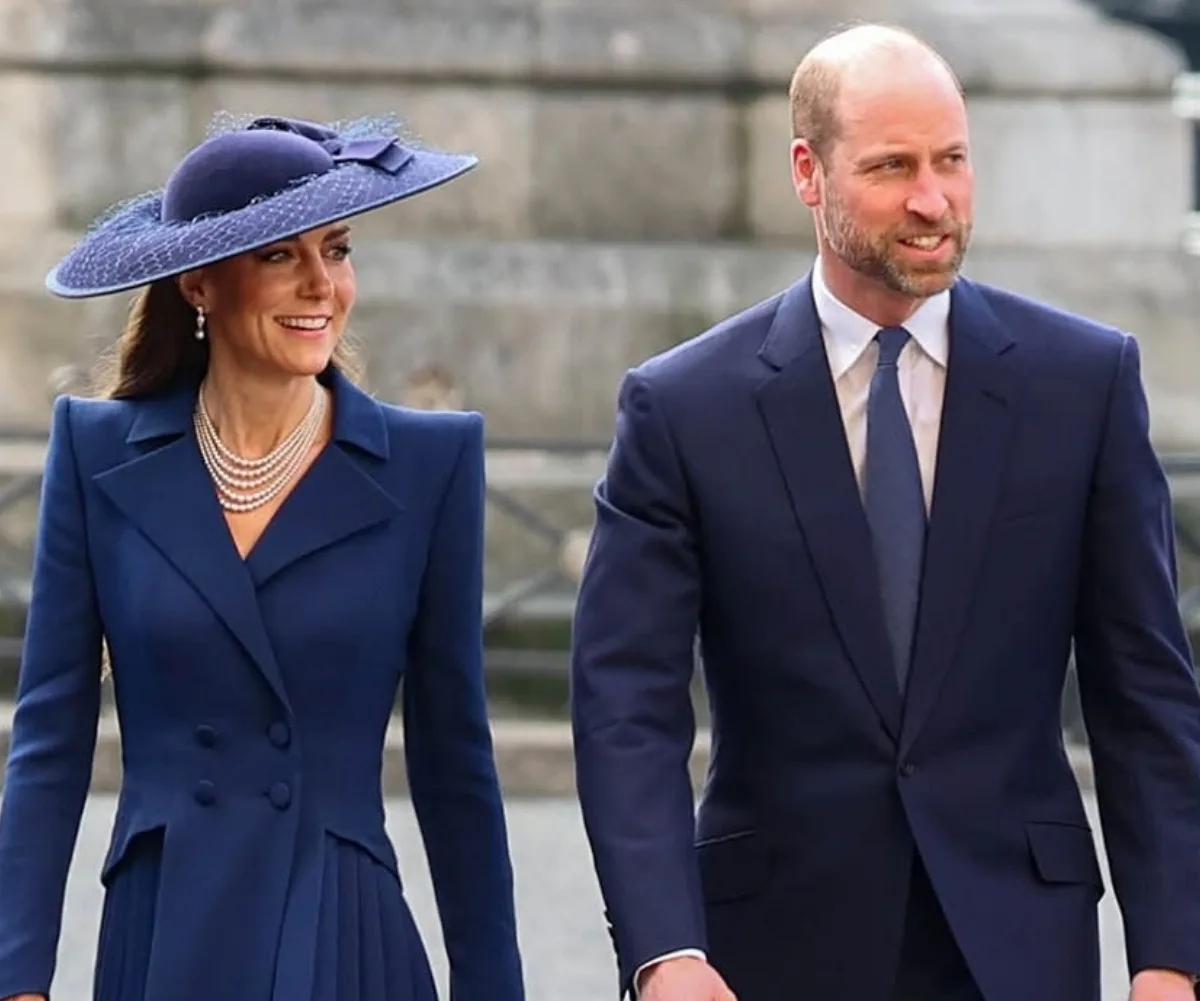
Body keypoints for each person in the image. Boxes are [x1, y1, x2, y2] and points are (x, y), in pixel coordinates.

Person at [570, 22, 1200, 1001]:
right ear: (807, 172)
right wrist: (664, 948)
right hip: (767, 950)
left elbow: (1146, 694)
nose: (932, 199)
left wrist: (1171, 953)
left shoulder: (1083, 384)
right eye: (892, 165)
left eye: (952, 160)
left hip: (1019, 943)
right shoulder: (684, 406)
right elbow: (626, 704)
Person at [0, 113, 525, 1001]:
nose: (323, 283)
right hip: (164, 928)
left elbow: (454, 762)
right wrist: (18, 978)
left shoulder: (431, 465)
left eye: (338, 248)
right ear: (200, 282)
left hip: (343, 932)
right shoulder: (97, 453)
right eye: (282, 255)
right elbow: (49, 741)